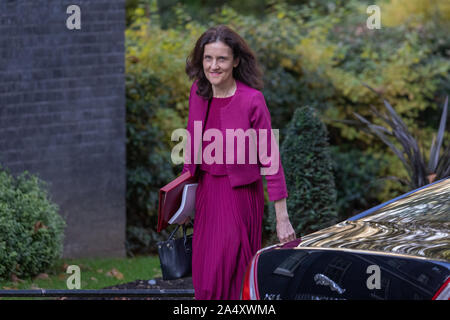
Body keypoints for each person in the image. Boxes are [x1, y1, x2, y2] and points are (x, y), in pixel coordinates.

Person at [181, 25, 295, 300]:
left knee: (230, 275)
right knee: (205, 280)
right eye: (208, 58)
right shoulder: (198, 92)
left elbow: (271, 159)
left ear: (235, 61)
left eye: (221, 59)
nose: (213, 66)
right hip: (208, 196)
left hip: (240, 199)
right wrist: (183, 201)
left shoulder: (252, 100)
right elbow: (191, 147)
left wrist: (282, 219)